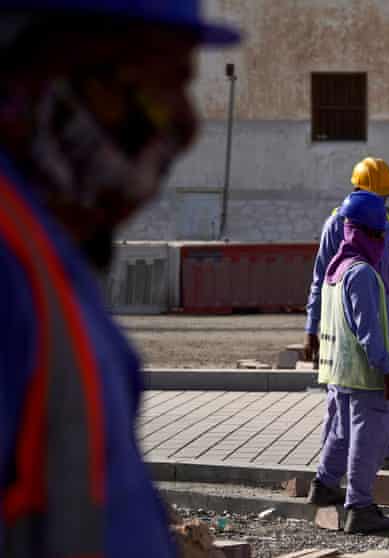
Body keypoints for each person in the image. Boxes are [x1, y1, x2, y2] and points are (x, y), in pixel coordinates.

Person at [0, 2, 237, 556]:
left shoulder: (48, 254)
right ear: (58, 77)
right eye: (164, 83)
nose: (186, 124)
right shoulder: (13, 268)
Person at [304, 157, 389, 474]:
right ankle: (334, 468)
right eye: (380, 196)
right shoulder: (339, 223)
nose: (384, 203)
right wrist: (312, 329)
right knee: (342, 399)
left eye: (387, 197)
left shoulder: (387, 219)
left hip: (384, 312)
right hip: (350, 319)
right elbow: (321, 278)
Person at [306, 190, 389, 534]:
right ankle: (360, 506)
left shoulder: (337, 268)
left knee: (340, 431)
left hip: (340, 372)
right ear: (362, 233)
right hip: (366, 375)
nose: (381, 242)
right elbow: (369, 332)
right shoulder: (361, 273)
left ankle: (324, 483)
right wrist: (388, 370)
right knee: (368, 439)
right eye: (378, 235)